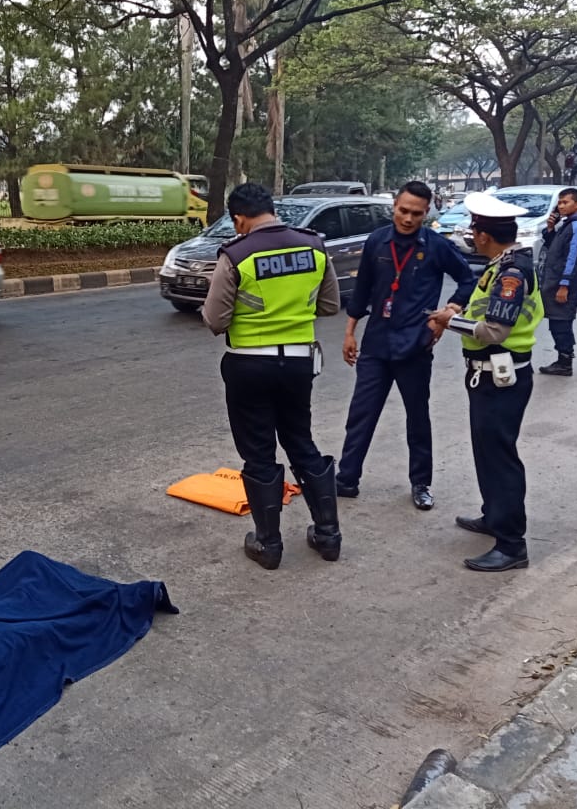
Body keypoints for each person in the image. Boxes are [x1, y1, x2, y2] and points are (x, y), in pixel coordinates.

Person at [201, 183, 341, 570]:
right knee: (300, 440)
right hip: (298, 363)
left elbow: (214, 321)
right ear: (271, 209)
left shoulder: (236, 254)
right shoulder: (314, 246)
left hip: (248, 366)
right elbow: (330, 304)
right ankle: (328, 536)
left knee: (258, 450)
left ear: (239, 218)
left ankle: (269, 545)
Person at [337, 180, 477, 510]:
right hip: (376, 343)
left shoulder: (436, 245)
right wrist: (349, 332)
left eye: (416, 213)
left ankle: (421, 484)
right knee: (361, 413)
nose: (408, 218)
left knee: (417, 417)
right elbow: (362, 291)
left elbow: (468, 279)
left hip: (415, 345)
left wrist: (448, 312)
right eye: (403, 211)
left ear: (426, 213)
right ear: (394, 207)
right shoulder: (377, 242)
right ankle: (346, 479)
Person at [427, 191, 543, 572]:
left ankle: (512, 545)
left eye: (474, 229)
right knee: (487, 452)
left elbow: (494, 330)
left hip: (501, 375)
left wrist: (449, 321)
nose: (472, 235)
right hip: (488, 375)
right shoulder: (502, 265)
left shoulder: (511, 274)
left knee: (500, 458)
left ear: (482, 235)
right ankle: (494, 515)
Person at [537, 188, 577, 377]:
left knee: (561, 322)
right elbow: (555, 247)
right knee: (556, 321)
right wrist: (550, 229)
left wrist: (564, 286)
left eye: (565, 202)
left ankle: (565, 362)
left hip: (564, 284)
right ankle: (562, 359)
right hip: (554, 280)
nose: (561, 206)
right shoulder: (568, 224)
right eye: (559, 203)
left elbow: (574, 258)